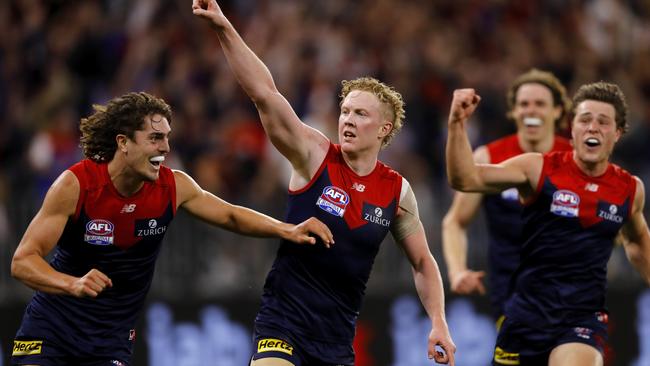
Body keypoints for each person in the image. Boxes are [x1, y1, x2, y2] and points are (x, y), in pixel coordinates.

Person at [192, 1, 455, 365]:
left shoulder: (397, 191)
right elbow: (265, 94)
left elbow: (423, 262)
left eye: (360, 113)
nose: (347, 119)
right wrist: (223, 27)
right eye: (345, 110)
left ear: (384, 129)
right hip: (281, 325)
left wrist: (438, 321)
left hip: (336, 342)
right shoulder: (314, 155)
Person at [10, 91, 334, 366]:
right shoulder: (76, 185)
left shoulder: (173, 187)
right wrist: (72, 283)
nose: (165, 148)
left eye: (166, 137)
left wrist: (286, 229)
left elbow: (231, 216)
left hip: (109, 343)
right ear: (123, 142)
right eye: (155, 138)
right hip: (50, 331)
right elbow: (23, 261)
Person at [446, 82, 650, 365]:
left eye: (603, 122)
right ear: (572, 128)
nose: (593, 127)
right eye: (585, 120)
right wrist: (457, 124)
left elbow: (637, 242)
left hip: (581, 318)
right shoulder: (537, 168)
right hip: (524, 318)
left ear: (617, 133)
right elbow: (465, 179)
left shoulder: (629, 189)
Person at [442, 69, 572, 321]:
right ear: (513, 111)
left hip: (568, 290)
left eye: (540, 104)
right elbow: (454, 222)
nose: (531, 110)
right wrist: (457, 271)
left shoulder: (575, 160)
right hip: (511, 293)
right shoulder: (489, 157)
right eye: (524, 104)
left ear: (557, 111)